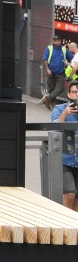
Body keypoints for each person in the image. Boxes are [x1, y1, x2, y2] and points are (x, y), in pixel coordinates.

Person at [50, 79, 78, 210]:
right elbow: (53, 128)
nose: (77, 95)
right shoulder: (60, 109)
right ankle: (65, 226)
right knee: (69, 194)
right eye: (74, 92)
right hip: (65, 159)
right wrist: (65, 114)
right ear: (69, 95)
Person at [43, 34, 70, 106]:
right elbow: (45, 60)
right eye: (55, 41)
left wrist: (69, 63)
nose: (57, 42)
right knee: (51, 89)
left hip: (60, 73)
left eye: (58, 41)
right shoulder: (49, 48)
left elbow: (71, 57)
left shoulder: (64, 49)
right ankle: (53, 103)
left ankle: (48, 98)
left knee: (61, 88)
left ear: (60, 41)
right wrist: (47, 69)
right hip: (51, 72)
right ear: (53, 41)